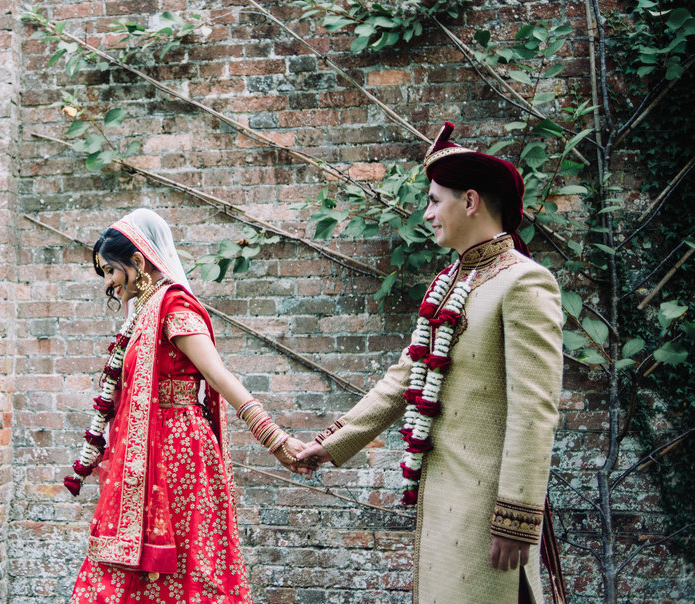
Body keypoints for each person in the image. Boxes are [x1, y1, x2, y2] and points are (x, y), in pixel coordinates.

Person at [296, 122, 564, 603]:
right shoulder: (452, 280)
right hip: (443, 502)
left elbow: (535, 410)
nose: (427, 213)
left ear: (470, 201)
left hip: (488, 511)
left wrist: (518, 517)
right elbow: (405, 377)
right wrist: (332, 444)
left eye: (435, 200)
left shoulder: (524, 283)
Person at [67, 208, 307, 604]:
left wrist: (274, 437)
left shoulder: (174, 308)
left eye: (111, 271)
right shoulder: (142, 313)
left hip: (179, 455)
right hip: (146, 453)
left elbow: (218, 376)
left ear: (138, 262)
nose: (109, 283)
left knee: (186, 569)